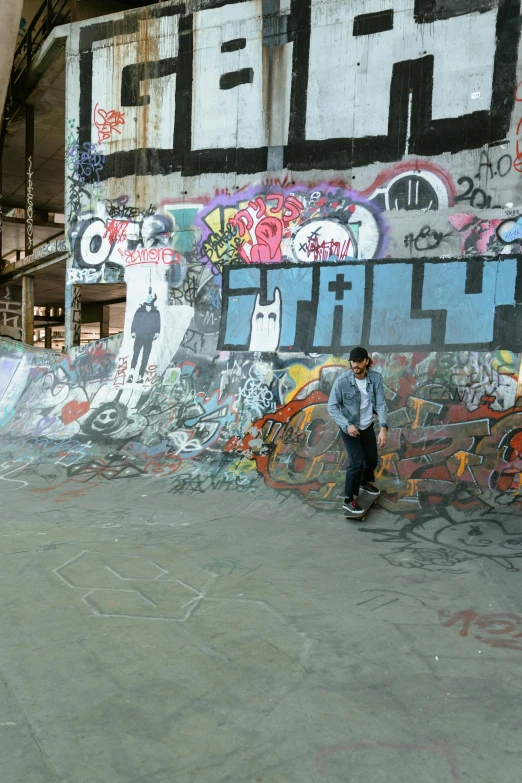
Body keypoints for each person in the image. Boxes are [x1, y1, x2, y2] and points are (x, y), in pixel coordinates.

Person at [327, 347, 388, 517]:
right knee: (357, 462)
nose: (356, 365)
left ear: (366, 361)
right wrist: (347, 425)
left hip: (367, 426)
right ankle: (348, 500)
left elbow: (381, 404)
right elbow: (332, 406)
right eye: (353, 361)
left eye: (359, 361)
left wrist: (383, 428)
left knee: (372, 460)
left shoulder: (375, 378)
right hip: (350, 428)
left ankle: (364, 482)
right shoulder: (342, 381)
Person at [127, 291, 161, 384]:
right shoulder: (140, 310)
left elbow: (158, 323)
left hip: (149, 337)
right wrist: (133, 331)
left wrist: (157, 332)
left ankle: (140, 376)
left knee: (145, 357)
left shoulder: (156, 312)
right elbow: (135, 321)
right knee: (136, 355)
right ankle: (131, 374)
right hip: (140, 335)